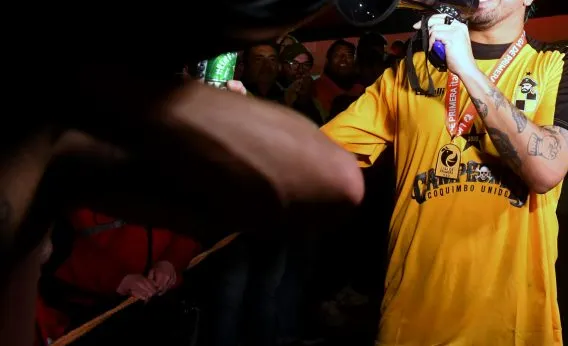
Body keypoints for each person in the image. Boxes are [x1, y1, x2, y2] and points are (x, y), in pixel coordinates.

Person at [322, 0, 568, 345]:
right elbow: (323, 151)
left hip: (512, 327)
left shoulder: (561, 65)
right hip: (409, 323)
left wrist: (466, 69)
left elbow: (546, 170)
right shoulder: (410, 71)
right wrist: (247, 125)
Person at [2, 70, 365, 346]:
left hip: (157, 302)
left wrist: (170, 263)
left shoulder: (164, 152)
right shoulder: (63, 148)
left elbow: (187, 222)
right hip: (92, 310)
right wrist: (117, 279)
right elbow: (59, 250)